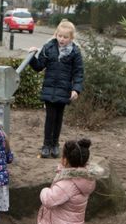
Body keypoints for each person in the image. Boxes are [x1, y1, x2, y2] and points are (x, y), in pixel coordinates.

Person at [28, 19, 84, 159]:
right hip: (49, 89)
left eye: (65, 37)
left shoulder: (75, 52)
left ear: (71, 38)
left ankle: (55, 145)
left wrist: (76, 89)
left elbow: (78, 72)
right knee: (50, 117)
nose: (62, 39)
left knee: (58, 118)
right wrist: (31, 57)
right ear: (56, 34)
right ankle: (46, 145)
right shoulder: (48, 48)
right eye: (60, 36)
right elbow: (39, 66)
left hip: (64, 90)